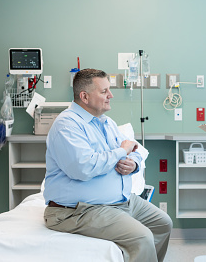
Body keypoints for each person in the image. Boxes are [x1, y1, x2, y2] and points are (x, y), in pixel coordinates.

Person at [43, 68, 172, 262]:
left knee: (163, 223)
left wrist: (133, 165)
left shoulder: (106, 122)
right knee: (142, 237)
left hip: (119, 202)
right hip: (78, 210)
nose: (110, 95)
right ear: (84, 96)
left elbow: (135, 150)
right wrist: (121, 152)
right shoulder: (67, 125)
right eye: (104, 91)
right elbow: (84, 168)